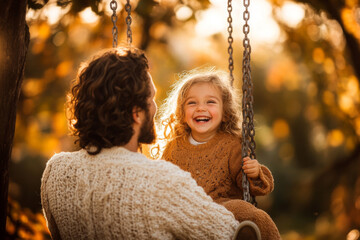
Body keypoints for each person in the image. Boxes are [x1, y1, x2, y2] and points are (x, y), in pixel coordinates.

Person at [40, 47, 263, 240]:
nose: (156, 109)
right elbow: (233, 234)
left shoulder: (57, 172)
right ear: (137, 113)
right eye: (152, 100)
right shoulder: (162, 181)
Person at [158, 68, 281, 240]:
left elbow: (246, 182)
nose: (201, 108)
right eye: (192, 103)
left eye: (210, 102)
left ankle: (246, 235)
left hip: (222, 207)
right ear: (182, 113)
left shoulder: (231, 144)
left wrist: (254, 172)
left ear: (225, 113)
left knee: (252, 214)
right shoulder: (174, 147)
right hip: (185, 208)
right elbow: (162, 181)